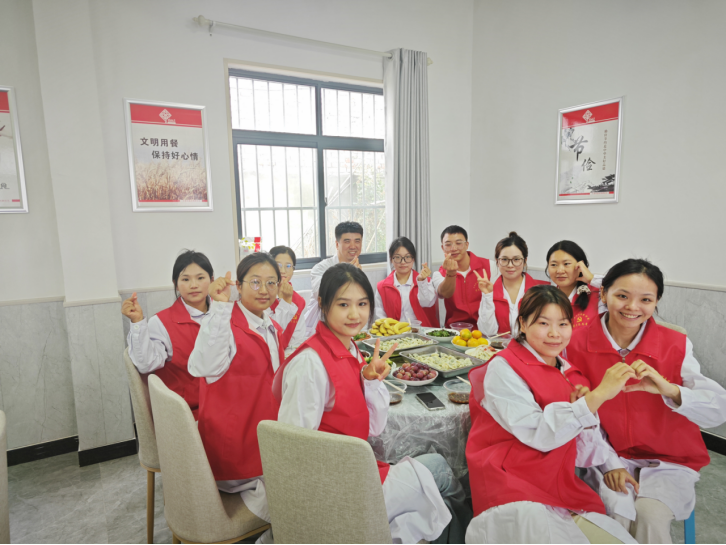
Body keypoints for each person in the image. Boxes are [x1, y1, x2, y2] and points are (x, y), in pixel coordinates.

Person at [274, 263, 472, 543]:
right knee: (443, 476)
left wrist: (370, 381)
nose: (354, 314)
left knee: (440, 491)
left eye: (362, 304)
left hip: (355, 471)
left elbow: (374, 427)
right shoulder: (310, 364)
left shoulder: (350, 350)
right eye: (343, 304)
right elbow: (291, 447)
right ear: (322, 304)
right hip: (338, 490)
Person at [566, 259, 726, 544]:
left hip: (672, 459)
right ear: (604, 294)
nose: (632, 307)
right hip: (610, 454)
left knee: (650, 516)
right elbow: (580, 413)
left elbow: (718, 411)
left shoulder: (675, 344)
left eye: (646, 299)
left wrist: (672, 391)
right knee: (616, 513)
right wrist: (610, 464)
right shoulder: (574, 344)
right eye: (622, 296)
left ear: (656, 302)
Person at [466, 285, 637, 544]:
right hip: (511, 480)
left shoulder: (568, 371)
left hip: (558, 480)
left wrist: (610, 462)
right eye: (543, 323)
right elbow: (538, 432)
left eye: (563, 324)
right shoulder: (504, 368)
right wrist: (597, 397)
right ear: (523, 324)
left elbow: (584, 453)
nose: (555, 334)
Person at [187, 252, 285, 536]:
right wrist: (219, 307)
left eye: (271, 282)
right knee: (304, 490)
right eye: (255, 282)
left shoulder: (268, 324)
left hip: (258, 440)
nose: (264, 290)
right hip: (236, 454)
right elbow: (203, 366)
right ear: (238, 286)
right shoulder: (224, 323)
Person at [122, 250, 213, 419]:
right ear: (176, 284)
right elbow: (146, 364)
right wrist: (137, 322)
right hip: (190, 412)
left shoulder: (225, 315)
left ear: (212, 280)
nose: (194, 285)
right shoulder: (161, 322)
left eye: (200, 278)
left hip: (227, 401)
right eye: (185, 279)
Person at [476, 231, 548, 336]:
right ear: (497, 261)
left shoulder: (541, 292)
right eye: (504, 259)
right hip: (500, 346)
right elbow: (487, 332)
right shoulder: (490, 291)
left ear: (525, 261)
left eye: (516, 259)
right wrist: (487, 296)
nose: (510, 265)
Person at [304, 221, 365, 337]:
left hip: (348, 328)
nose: (353, 246)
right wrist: (349, 275)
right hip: (319, 330)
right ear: (337, 244)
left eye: (357, 241)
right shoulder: (320, 268)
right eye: (347, 241)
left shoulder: (360, 271)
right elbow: (323, 293)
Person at [432, 225, 499, 328]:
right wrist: (450, 273)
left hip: (486, 329)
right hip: (455, 330)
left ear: (467, 245)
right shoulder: (439, 273)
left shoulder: (490, 266)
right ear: (442, 248)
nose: (453, 248)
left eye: (459, 243)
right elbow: (444, 293)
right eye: (448, 244)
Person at [375, 237, 439, 327]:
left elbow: (427, 303)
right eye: (398, 257)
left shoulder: (426, 281)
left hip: (423, 333)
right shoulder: (382, 287)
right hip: (395, 333)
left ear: (413, 259)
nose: (403, 262)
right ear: (391, 259)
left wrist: (422, 282)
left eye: (407, 257)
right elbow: (380, 317)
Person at [546, 240, 604, 331]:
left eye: (566, 264)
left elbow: (619, 288)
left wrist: (591, 279)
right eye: (554, 265)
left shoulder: (599, 295)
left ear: (580, 266)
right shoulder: (545, 297)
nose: (560, 271)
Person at [268, 245, 306, 357]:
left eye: (288, 266)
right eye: (278, 265)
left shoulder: (299, 301)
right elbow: (271, 333)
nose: (283, 271)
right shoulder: (263, 295)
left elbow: (298, 339)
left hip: (290, 355)